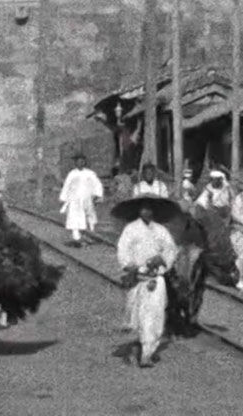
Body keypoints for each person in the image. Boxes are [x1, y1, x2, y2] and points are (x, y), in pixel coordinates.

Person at [116, 197, 180, 367]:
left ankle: (147, 353)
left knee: (155, 316)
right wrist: (130, 266)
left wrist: (162, 259)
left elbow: (171, 250)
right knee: (138, 316)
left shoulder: (161, 230)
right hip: (137, 278)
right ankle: (137, 346)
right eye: (144, 209)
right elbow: (123, 250)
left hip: (156, 279)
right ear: (139, 211)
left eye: (150, 209)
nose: (147, 212)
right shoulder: (131, 229)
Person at [59, 154, 104, 247]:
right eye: (78, 161)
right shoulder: (72, 174)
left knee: (90, 214)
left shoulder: (90, 173)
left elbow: (97, 184)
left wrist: (98, 195)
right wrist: (63, 197)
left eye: (82, 161)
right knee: (74, 216)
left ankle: (92, 231)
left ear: (85, 162)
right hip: (74, 199)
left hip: (87, 198)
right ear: (75, 163)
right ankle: (76, 236)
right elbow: (67, 185)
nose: (80, 163)